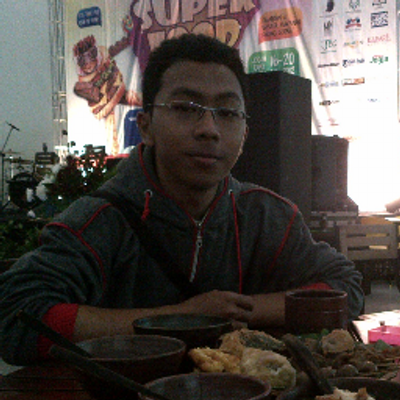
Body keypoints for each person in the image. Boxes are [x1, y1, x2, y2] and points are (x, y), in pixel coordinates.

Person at [0, 34, 363, 366]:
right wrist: (180, 318)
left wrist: (242, 311)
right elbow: (16, 317)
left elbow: (344, 286)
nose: (208, 129)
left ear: (244, 133)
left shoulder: (267, 215)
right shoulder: (100, 220)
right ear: (145, 127)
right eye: (186, 108)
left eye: (227, 112)